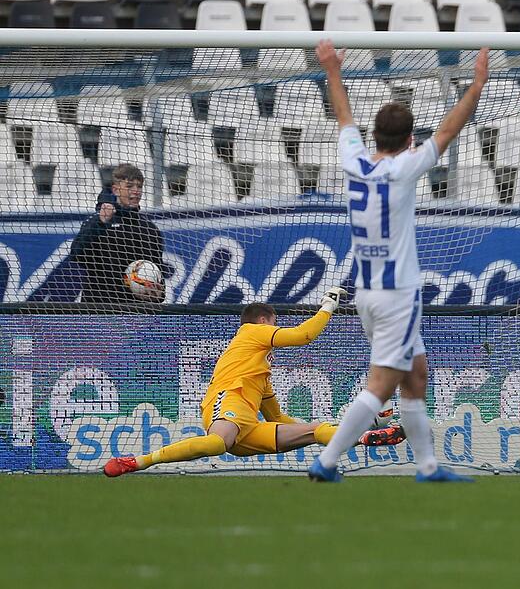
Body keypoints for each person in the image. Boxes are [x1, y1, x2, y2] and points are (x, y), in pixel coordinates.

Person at [306, 39, 489, 483]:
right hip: (396, 296)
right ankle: (326, 462)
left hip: (368, 293)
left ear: (373, 138)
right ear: (409, 141)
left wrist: (332, 67)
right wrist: (477, 84)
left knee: (417, 374)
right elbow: (447, 131)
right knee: (382, 385)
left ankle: (427, 466)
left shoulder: (353, 161)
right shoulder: (405, 168)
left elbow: (343, 116)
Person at [102, 290, 405, 477]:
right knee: (218, 441)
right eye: (274, 323)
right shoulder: (250, 331)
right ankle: (139, 461)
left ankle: (365, 436)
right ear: (263, 322)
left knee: (314, 430)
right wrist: (327, 307)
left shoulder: (260, 374)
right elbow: (303, 336)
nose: (275, 329)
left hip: (248, 432)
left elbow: (278, 419)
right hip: (227, 401)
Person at [70, 164, 165, 304]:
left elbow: (158, 275)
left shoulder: (149, 229)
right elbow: (77, 254)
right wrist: (100, 223)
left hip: (136, 314)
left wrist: (157, 293)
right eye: (129, 186)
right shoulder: (97, 221)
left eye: (139, 187)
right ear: (115, 189)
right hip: (98, 311)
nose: (135, 191)